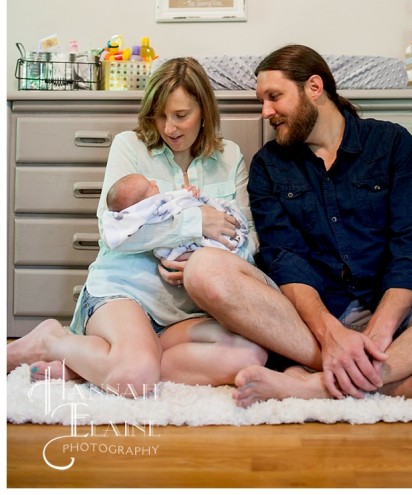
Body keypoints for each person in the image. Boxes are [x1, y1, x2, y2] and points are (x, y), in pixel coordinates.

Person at [180, 44, 412, 411]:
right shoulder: (268, 166)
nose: (265, 112)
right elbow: (284, 257)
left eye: (274, 97)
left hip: (396, 315)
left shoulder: (391, 143)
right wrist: (330, 332)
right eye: (263, 101)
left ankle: (325, 383)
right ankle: (387, 381)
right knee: (203, 270)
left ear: (314, 87)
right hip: (309, 324)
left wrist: (379, 333)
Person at [6, 58, 267, 394]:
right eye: (161, 116)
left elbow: (250, 235)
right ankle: (52, 340)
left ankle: (100, 361)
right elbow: (113, 233)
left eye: (181, 115)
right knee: (135, 378)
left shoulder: (229, 156)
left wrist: (206, 263)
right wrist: (194, 222)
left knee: (250, 354)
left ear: (204, 111)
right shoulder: (129, 147)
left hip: (186, 310)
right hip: (125, 293)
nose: (169, 127)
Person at [104, 173, 250, 263]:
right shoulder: (151, 213)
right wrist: (195, 220)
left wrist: (190, 193)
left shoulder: (163, 202)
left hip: (224, 244)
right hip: (194, 258)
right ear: (145, 204)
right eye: (150, 185)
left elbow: (182, 201)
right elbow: (113, 237)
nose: (154, 182)